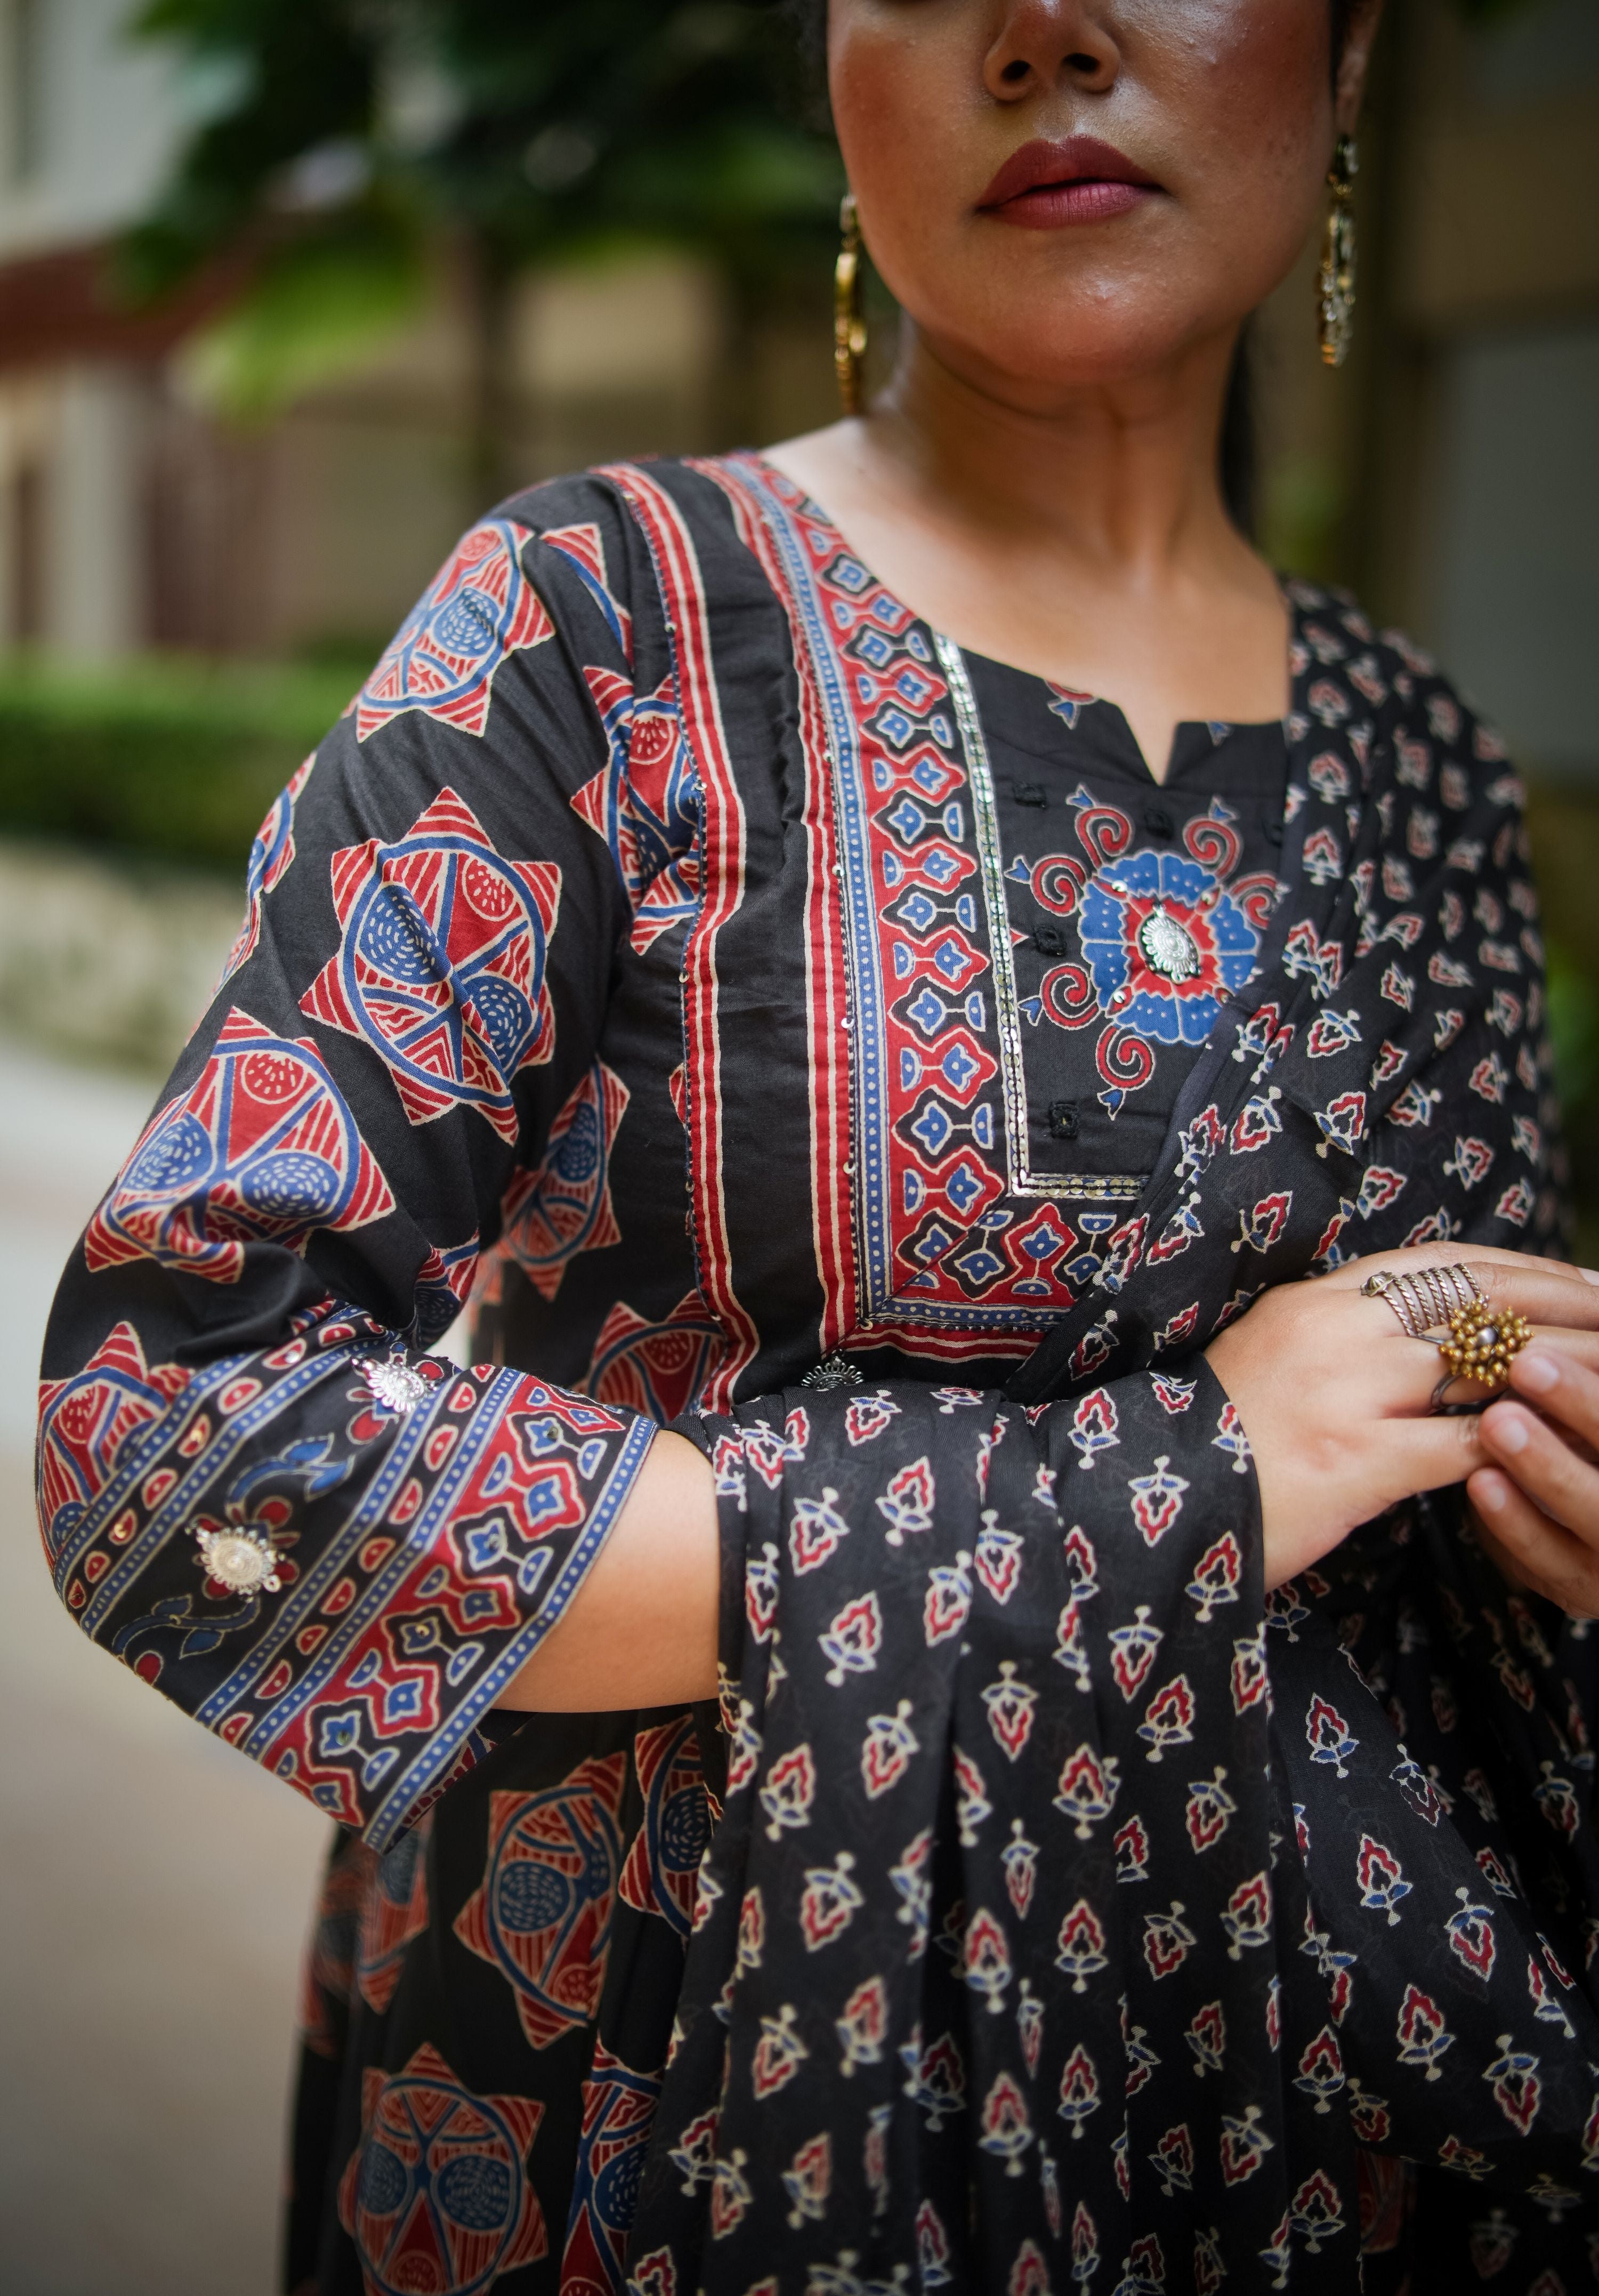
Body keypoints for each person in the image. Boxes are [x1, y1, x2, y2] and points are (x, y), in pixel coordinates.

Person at [35, 2, 1599, 2289]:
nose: (1047, 25)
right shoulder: (604, 625)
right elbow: (173, 1449)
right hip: (652, 2128)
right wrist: (1169, 1488)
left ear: (1352, 57)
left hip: (1302, 2149)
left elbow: (1460, 1507)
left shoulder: (1430, 772)